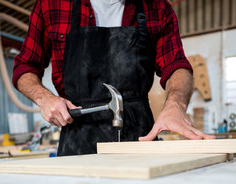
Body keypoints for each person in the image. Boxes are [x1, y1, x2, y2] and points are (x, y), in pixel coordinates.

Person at [13, 0, 214, 156]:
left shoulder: (158, 7)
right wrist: (45, 99)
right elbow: (25, 66)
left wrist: (175, 106)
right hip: (77, 139)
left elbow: (176, 66)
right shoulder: (52, 5)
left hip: (139, 137)